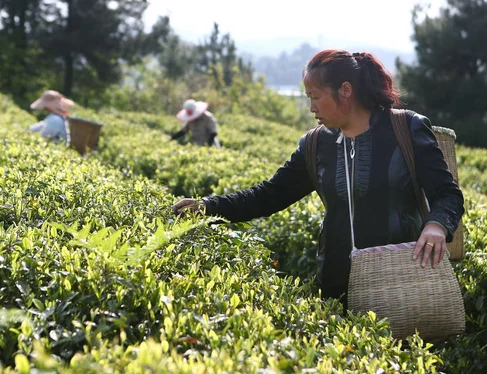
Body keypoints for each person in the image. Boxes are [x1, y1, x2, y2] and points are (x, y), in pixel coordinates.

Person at [172, 49, 464, 306]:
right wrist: (209, 206)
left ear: (345, 90)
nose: (311, 108)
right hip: (337, 283)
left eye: (315, 97)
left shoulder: (407, 128)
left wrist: (437, 226)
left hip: (402, 278)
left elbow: (447, 193)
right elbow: (269, 195)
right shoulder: (315, 145)